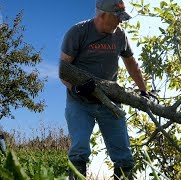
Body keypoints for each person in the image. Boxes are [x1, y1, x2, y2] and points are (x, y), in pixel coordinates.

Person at [59, 0, 149, 179]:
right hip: (79, 102)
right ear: (102, 15)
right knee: (79, 150)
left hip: (109, 102)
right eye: (117, 18)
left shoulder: (120, 36)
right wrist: (75, 88)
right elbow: (63, 70)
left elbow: (132, 65)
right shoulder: (78, 32)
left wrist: (143, 90)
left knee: (123, 155)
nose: (120, 22)